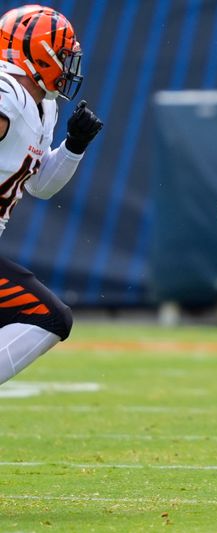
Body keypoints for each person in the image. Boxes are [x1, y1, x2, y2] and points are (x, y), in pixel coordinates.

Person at [0, 5, 102, 387]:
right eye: (62, 56)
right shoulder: (6, 92)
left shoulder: (42, 106)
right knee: (47, 316)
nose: (68, 66)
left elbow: (40, 186)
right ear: (37, 52)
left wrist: (74, 146)